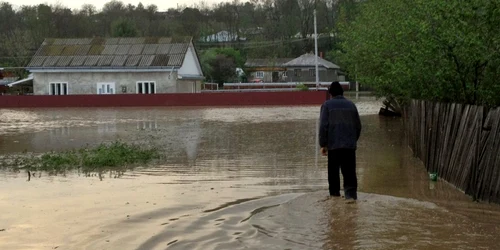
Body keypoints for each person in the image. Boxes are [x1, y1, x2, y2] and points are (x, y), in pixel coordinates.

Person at [319, 81, 362, 200]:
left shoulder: (327, 105)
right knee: (349, 173)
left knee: (333, 173)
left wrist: (323, 144)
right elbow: (358, 126)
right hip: (349, 146)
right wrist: (352, 140)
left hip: (333, 146)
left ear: (330, 93)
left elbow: (323, 126)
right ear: (342, 92)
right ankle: (351, 197)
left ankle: (335, 197)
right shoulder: (351, 105)